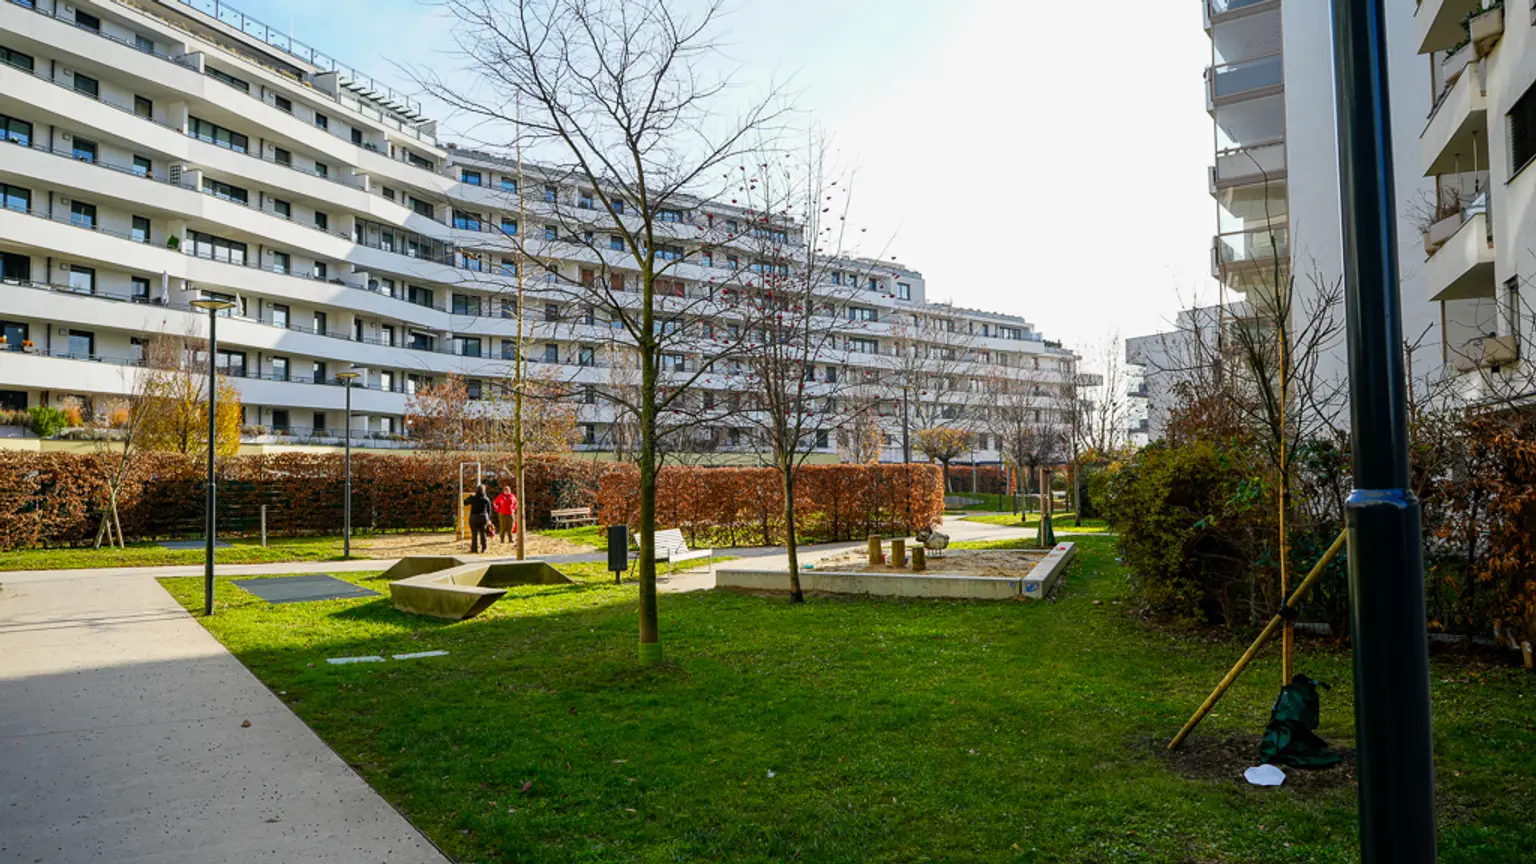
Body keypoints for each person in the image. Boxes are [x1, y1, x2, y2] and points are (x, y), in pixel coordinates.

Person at [463, 484, 493, 554]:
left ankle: (474, 549)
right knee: (483, 534)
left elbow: (465, 502)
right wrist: (489, 519)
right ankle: (484, 548)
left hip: (474, 517)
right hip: (483, 517)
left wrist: (470, 496)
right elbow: (489, 510)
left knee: (474, 534)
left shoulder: (473, 497)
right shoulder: (486, 499)